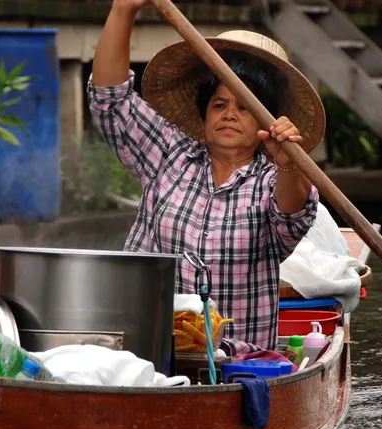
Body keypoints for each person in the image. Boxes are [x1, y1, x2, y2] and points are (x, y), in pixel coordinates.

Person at [88, 0, 326, 355]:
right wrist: (123, 10)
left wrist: (289, 161)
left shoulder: (271, 179)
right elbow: (112, 100)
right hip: (146, 346)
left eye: (244, 107)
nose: (229, 114)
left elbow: (293, 214)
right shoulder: (170, 154)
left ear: (266, 122)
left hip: (236, 360)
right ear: (204, 114)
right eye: (219, 104)